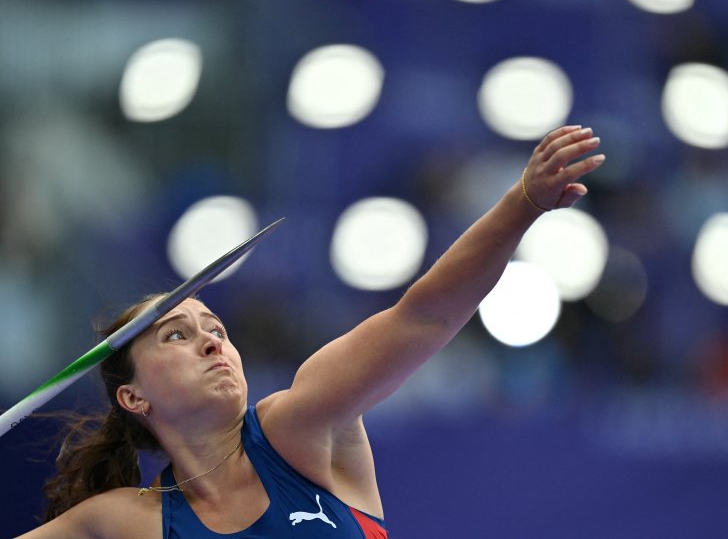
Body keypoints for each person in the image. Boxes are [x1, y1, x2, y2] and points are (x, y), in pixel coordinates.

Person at [17, 125, 604, 538]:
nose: (212, 341)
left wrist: (523, 203)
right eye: (175, 335)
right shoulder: (126, 523)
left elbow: (424, 316)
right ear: (133, 396)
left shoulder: (298, 429)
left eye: (215, 326)